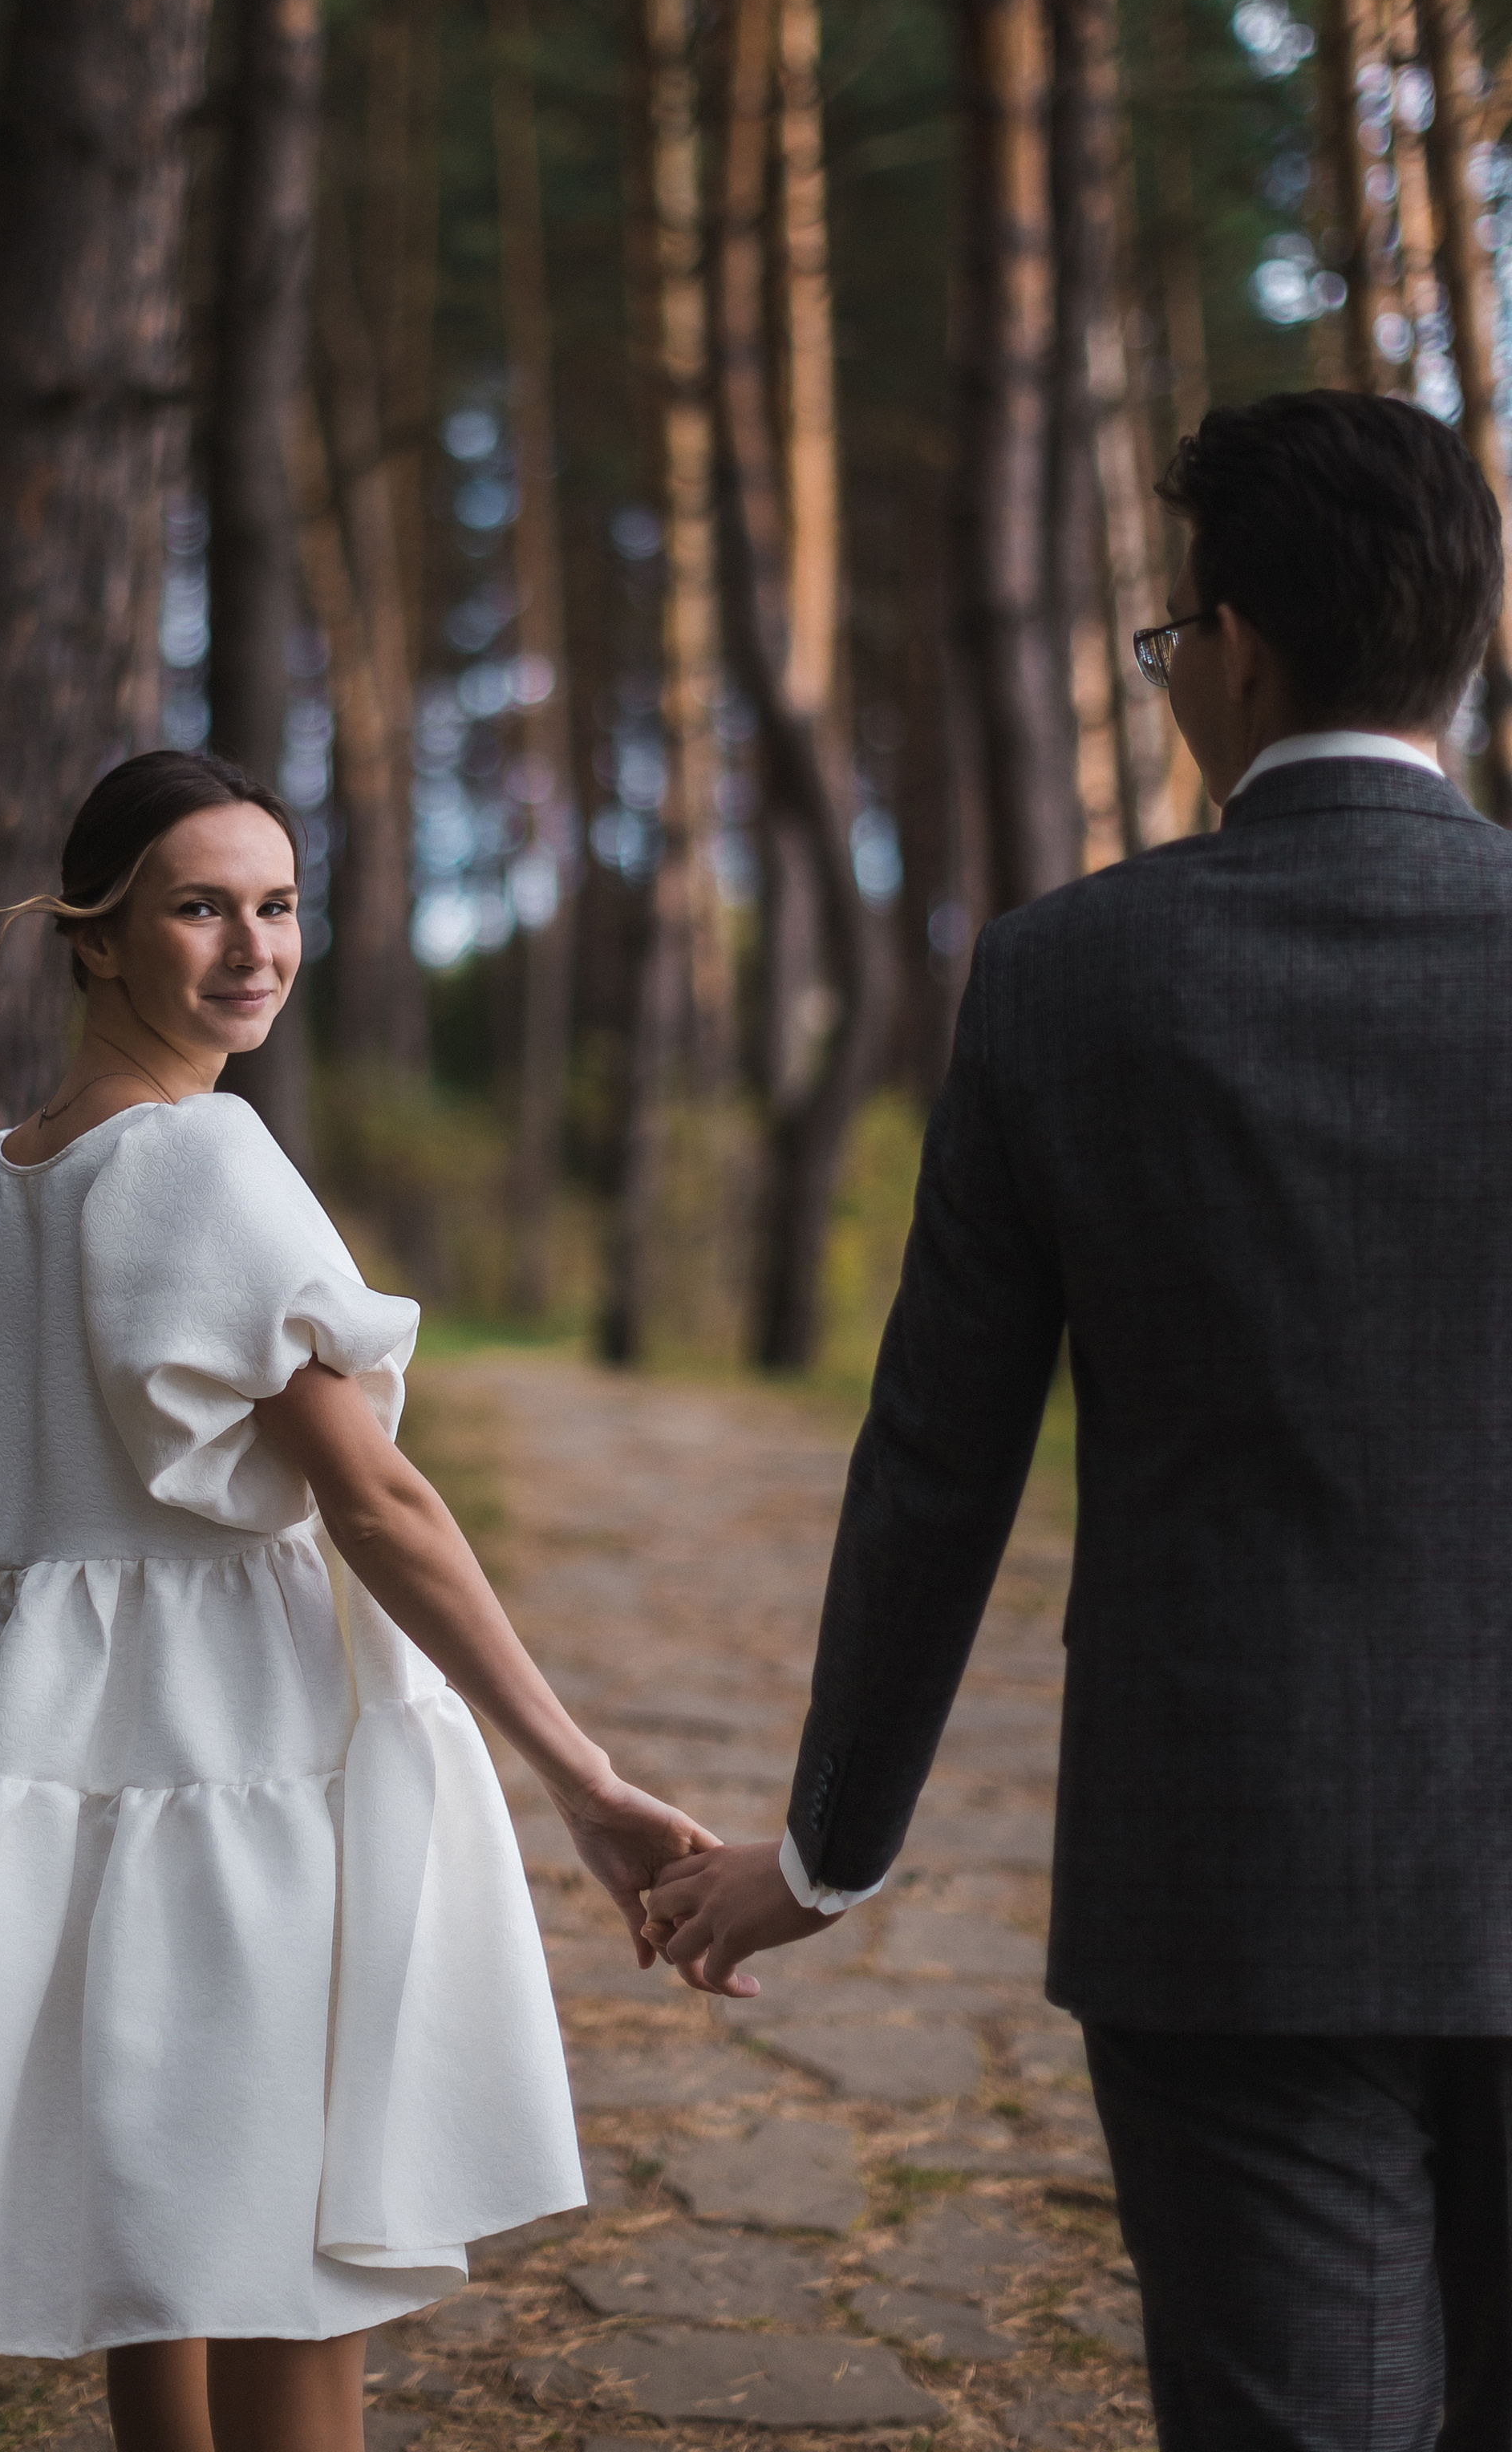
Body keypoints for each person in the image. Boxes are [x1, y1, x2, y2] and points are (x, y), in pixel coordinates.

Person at [644, 391, 1512, 2448]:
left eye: (1163, 639)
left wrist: (825, 1852)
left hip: (1228, 1886)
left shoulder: (1066, 978)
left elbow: (938, 1459)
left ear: (1232, 644)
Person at [0, 748, 710, 2451]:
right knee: (290, 2248)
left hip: (80, 1794)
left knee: (159, 2247)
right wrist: (578, 1776)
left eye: (277, 905)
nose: (253, 948)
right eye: (199, 908)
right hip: (234, 1783)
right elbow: (369, 1497)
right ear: (93, 938)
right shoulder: (195, 1165)